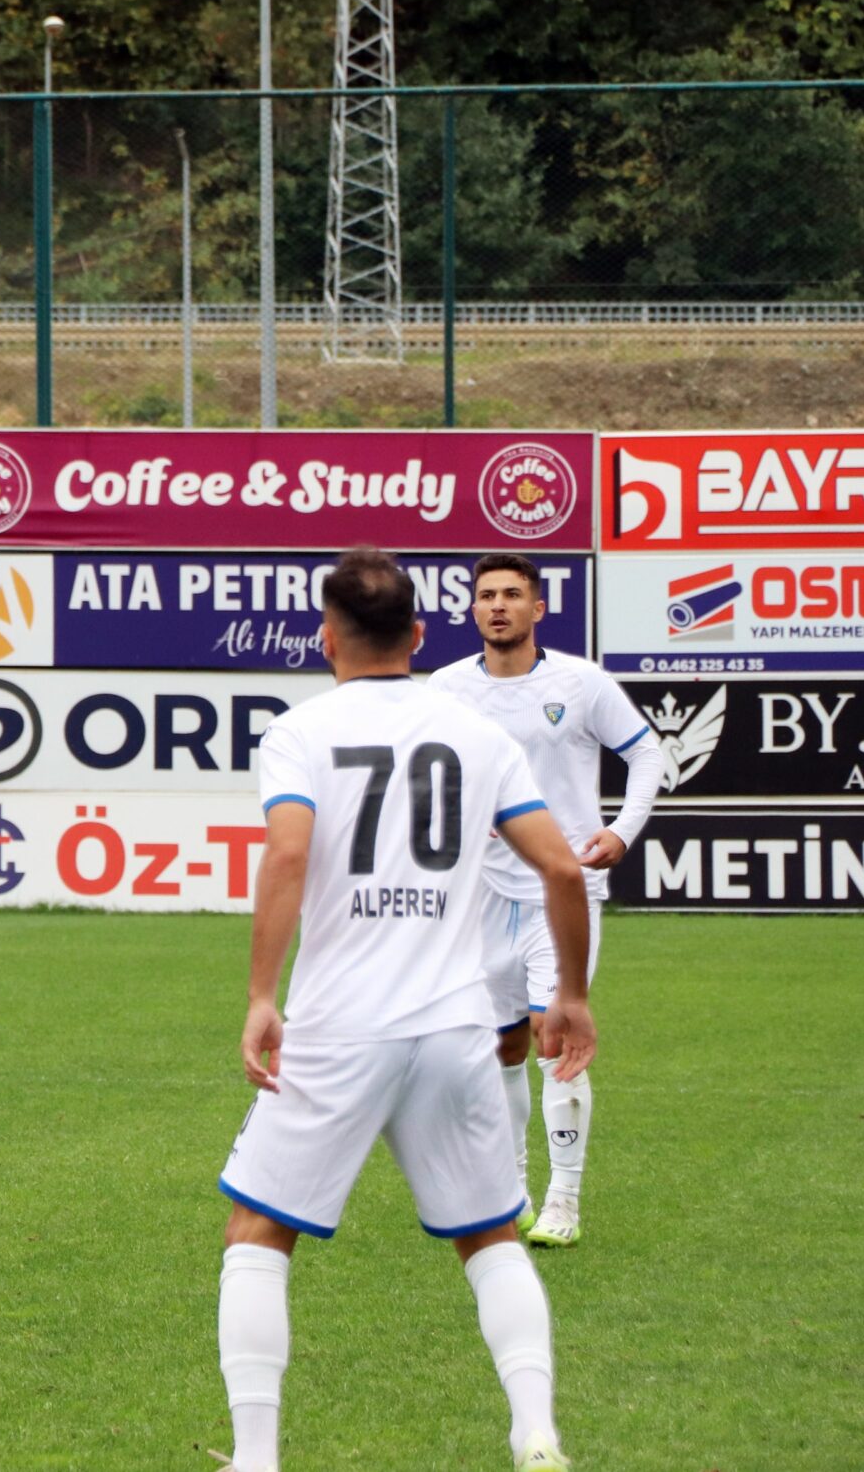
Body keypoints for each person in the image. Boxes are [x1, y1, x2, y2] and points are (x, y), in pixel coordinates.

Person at [214, 547, 597, 1472]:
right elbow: (559, 864)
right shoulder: (476, 732)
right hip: (454, 1024)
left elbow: (289, 857)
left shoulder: (301, 732)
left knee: (258, 1231)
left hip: (341, 1025)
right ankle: (535, 1431)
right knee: (490, 1236)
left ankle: (257, 1457)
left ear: (325, 637)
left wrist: (264, 994)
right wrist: (572, 995)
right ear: (421, 634)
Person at [430, 552, 659, 1249]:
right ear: (473, 610)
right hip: (483, 890)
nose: (497, 605)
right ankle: (513, 1187)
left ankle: (564, 1198)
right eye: (486, 595)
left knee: (551, 1033)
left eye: (512, 594)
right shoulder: (444, 688)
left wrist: (621, 830)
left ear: (538, 608)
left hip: (564, 889)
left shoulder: (581, 683)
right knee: (501, 1041)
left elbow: (647, 751)